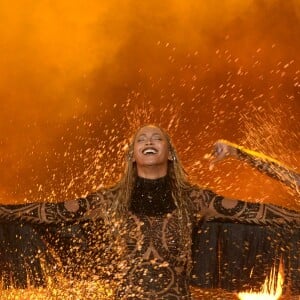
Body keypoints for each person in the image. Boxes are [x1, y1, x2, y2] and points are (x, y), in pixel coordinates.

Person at [0, 125, 299, 299]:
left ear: (170, 153)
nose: (148, 141)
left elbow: (268, 214)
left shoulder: (195, 200)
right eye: (141, 139)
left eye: (157, 137)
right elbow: (45, 213)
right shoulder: (110, 200)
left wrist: (239, 153)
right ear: (132, 156)